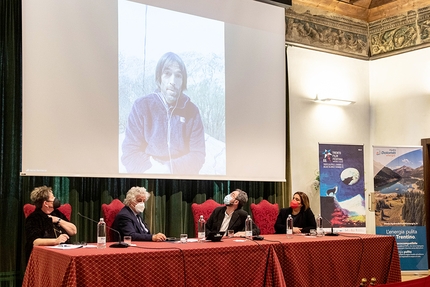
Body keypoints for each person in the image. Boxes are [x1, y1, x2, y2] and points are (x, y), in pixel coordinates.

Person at [121, 52, 206, 175]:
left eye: (178, 75)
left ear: (183, 81)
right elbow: (129, 152)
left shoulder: (192, 111)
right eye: (167, 74)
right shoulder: (141, 106)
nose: (173, 81)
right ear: (158, 78)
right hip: (148, 176)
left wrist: (170, 168)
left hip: (181, 179)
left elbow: (198, 154)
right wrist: (152, 170)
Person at [25, 186, 77, 262]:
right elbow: (35, 242)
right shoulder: (34, 218)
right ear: (46, 203)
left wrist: (58, 220)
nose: (55, 199)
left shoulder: (57, 213)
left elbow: (73, 231)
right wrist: (56, 241)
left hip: (64, 254)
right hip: (44, 257)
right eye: (53, 197)